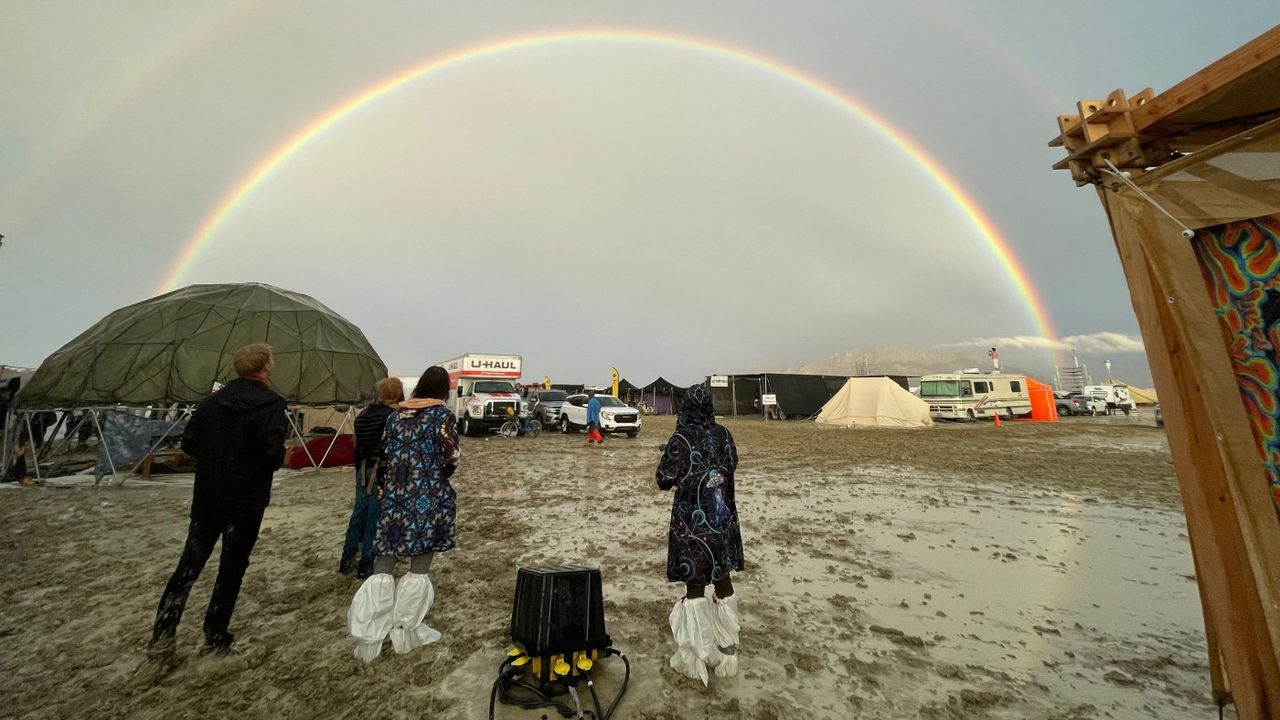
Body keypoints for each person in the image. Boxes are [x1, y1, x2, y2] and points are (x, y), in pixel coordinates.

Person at [150, 343, 288, 656]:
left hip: (209, 496)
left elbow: (189, 442)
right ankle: (215, 636)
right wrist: (274, 455)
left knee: (189, 565)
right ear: (266, 367)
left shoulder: (213, 402)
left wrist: (216, 460)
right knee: (232, 567)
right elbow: (271, 453)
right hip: (246, 500)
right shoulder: (270, 404)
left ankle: (163, 633)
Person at [348, 366, 460, 662]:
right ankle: (406, 632)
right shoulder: (442, 416)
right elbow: (451, 457)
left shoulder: (396, 415)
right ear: (443, 390)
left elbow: (382, 456)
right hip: (427, 495)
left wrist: (393, 483)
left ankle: (370, 636)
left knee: (384, 561)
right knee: (419, 563)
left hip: (395, 495)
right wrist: (432, 474)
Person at [657, 382, 744, 685]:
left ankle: (696, 658)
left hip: (692, 529)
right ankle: (727, 651)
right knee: (723, 579)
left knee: (695, 587)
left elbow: (663, 479)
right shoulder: (724, 434)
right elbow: (731, 464)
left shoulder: (680, 438)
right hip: (722, 522)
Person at [340, 377, 404, 579]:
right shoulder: (394, 417)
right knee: (375, 517)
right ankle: (366, 562)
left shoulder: (364, 415)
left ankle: (347, 558)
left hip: (362, 469)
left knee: (359, 512)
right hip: (381, 471)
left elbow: (358, 445)